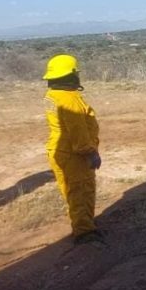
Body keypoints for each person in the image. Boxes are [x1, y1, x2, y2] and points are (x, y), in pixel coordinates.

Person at [42, 54, 104, 244]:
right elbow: (78, 132)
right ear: (70, 75)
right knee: (81, 191)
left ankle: (81, 224)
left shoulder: (53, 95)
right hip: (74, 155)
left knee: (71, 191)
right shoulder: (69, 100)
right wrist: (90, 152)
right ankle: (84, 232)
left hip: (59, 151)